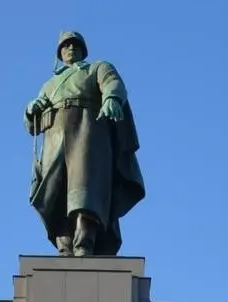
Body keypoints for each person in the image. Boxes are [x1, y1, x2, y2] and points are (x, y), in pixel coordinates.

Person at [23, 31, 146, 256]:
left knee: (85, 191)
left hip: (86, 132)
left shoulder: (97, 68)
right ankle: (65, 247)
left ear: (82, 50)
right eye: (66, 46)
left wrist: (111, 98)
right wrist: (32, 109)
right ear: (60, 53)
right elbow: (31, 126)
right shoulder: (49, 85)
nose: (71, 48)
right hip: (55, 137)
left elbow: (113, 83)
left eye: (75, 45)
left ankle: (84, 244)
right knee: (55, 193)